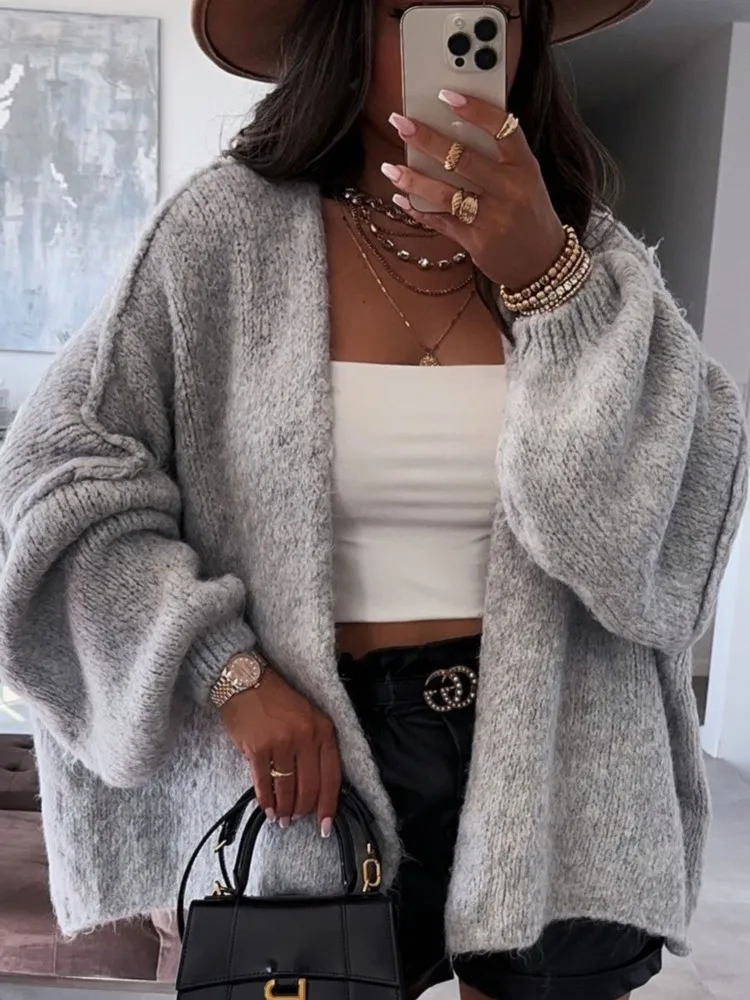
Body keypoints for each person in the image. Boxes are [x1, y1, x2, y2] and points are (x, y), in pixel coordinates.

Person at [0, 0, 747, 998]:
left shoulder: (587, 257)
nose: (462, 40)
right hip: (314, 762)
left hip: (563, 744)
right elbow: (61, 473)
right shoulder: (222, 234)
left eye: (493, 11)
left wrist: (550, 284)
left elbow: (667, 541)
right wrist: (227, 672)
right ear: (342, 28)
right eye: (410, 10)